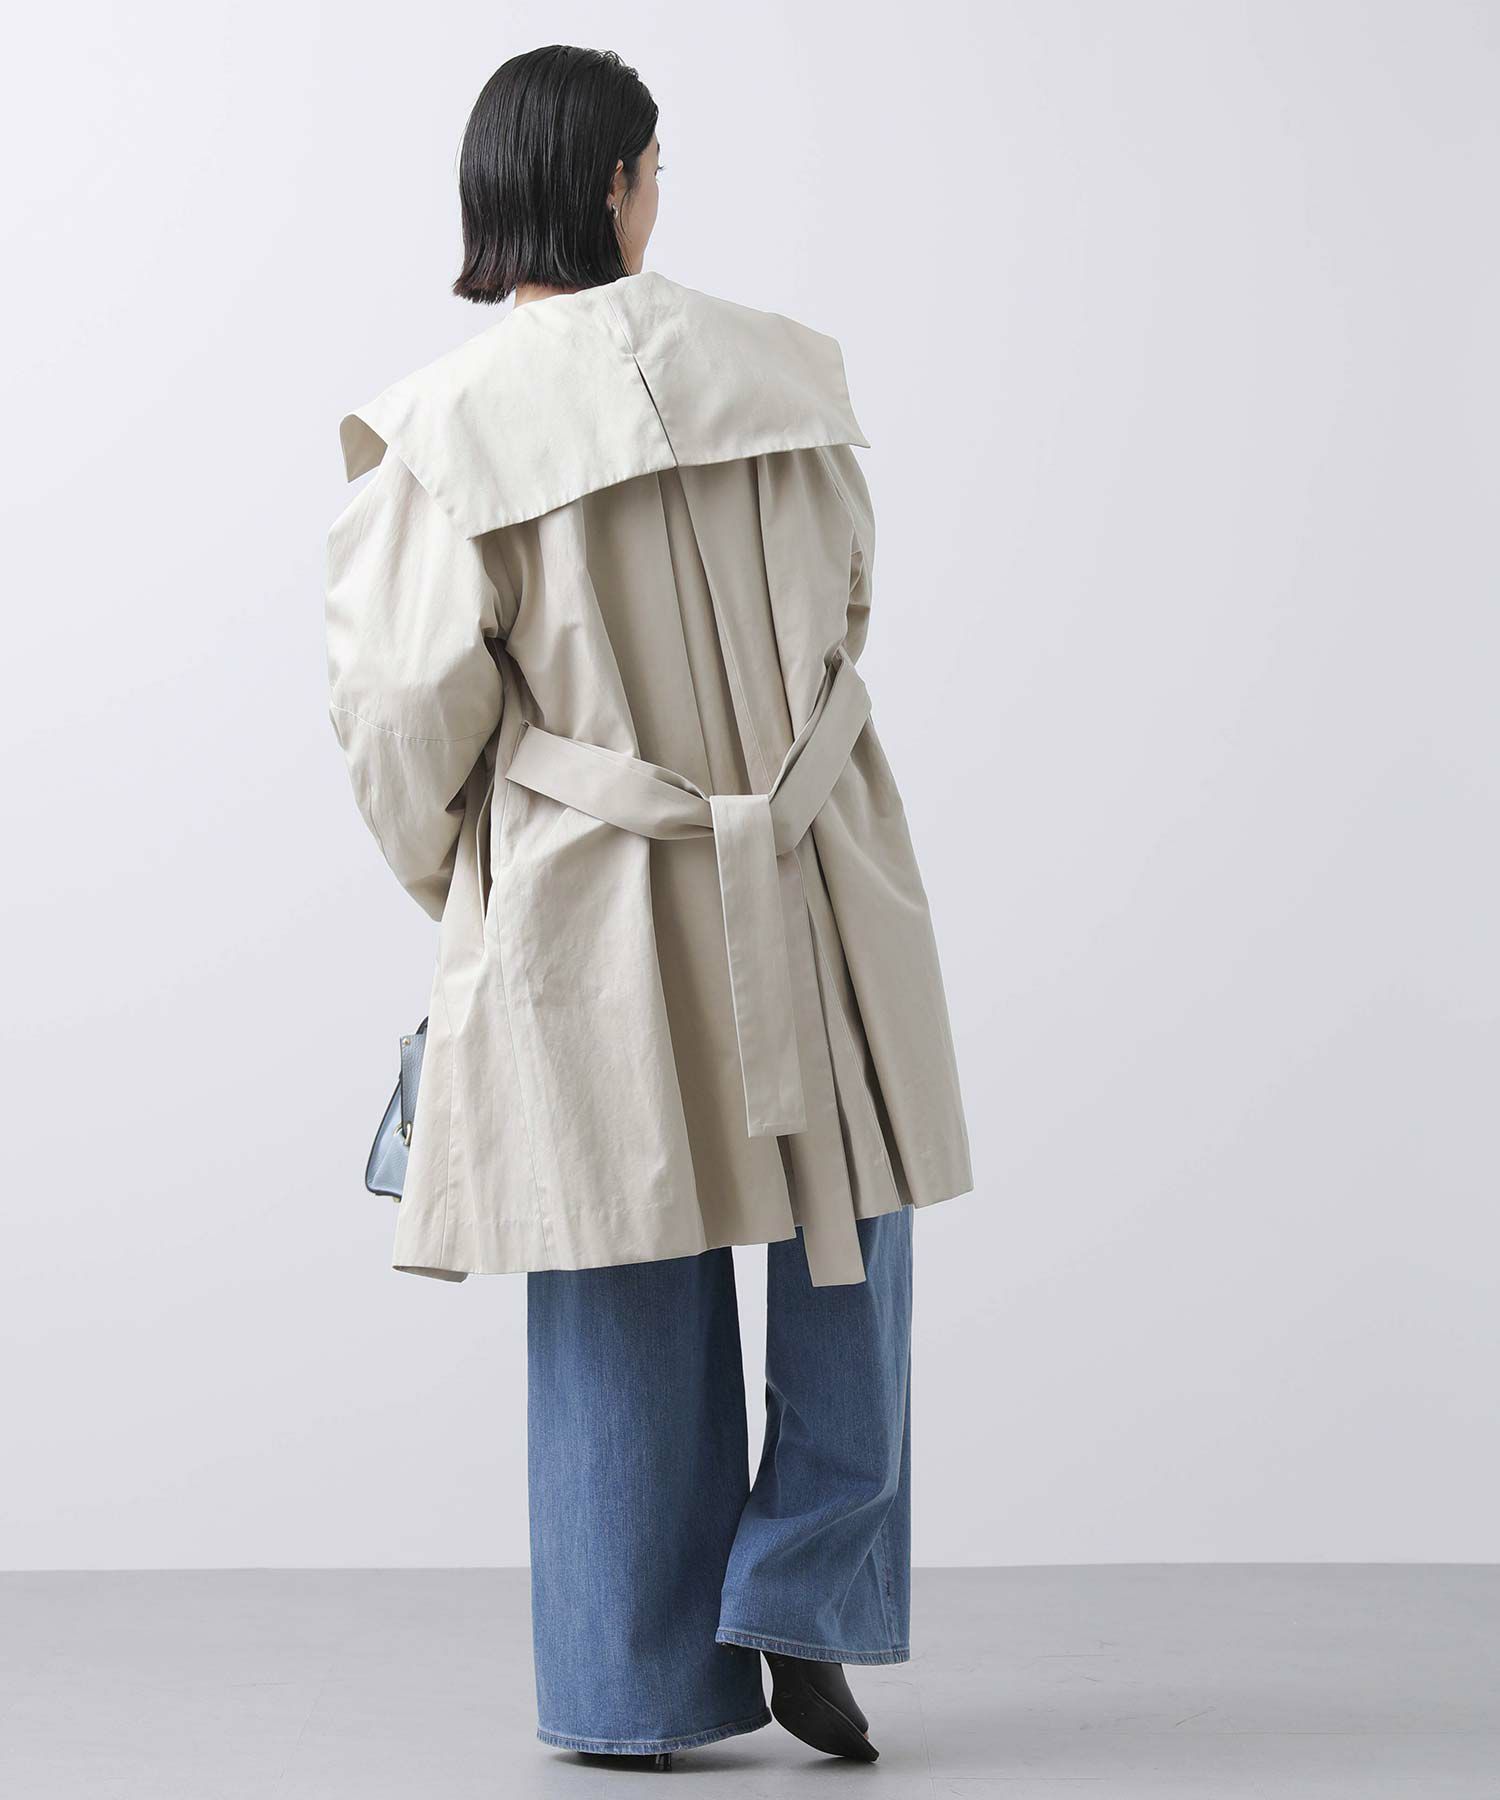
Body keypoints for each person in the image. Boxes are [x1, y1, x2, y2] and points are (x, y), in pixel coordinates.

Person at [324, 44, 973, 1770]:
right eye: (656, 168)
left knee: (619, 1244)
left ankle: (636, 1690)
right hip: (811, 850)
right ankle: (806, 1594)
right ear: (619, 183)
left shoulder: (444, 430)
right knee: (849, 1223)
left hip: (592, 881)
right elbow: (849, 597)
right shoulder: (788, 375)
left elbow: (399, 712)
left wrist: (468, 868)